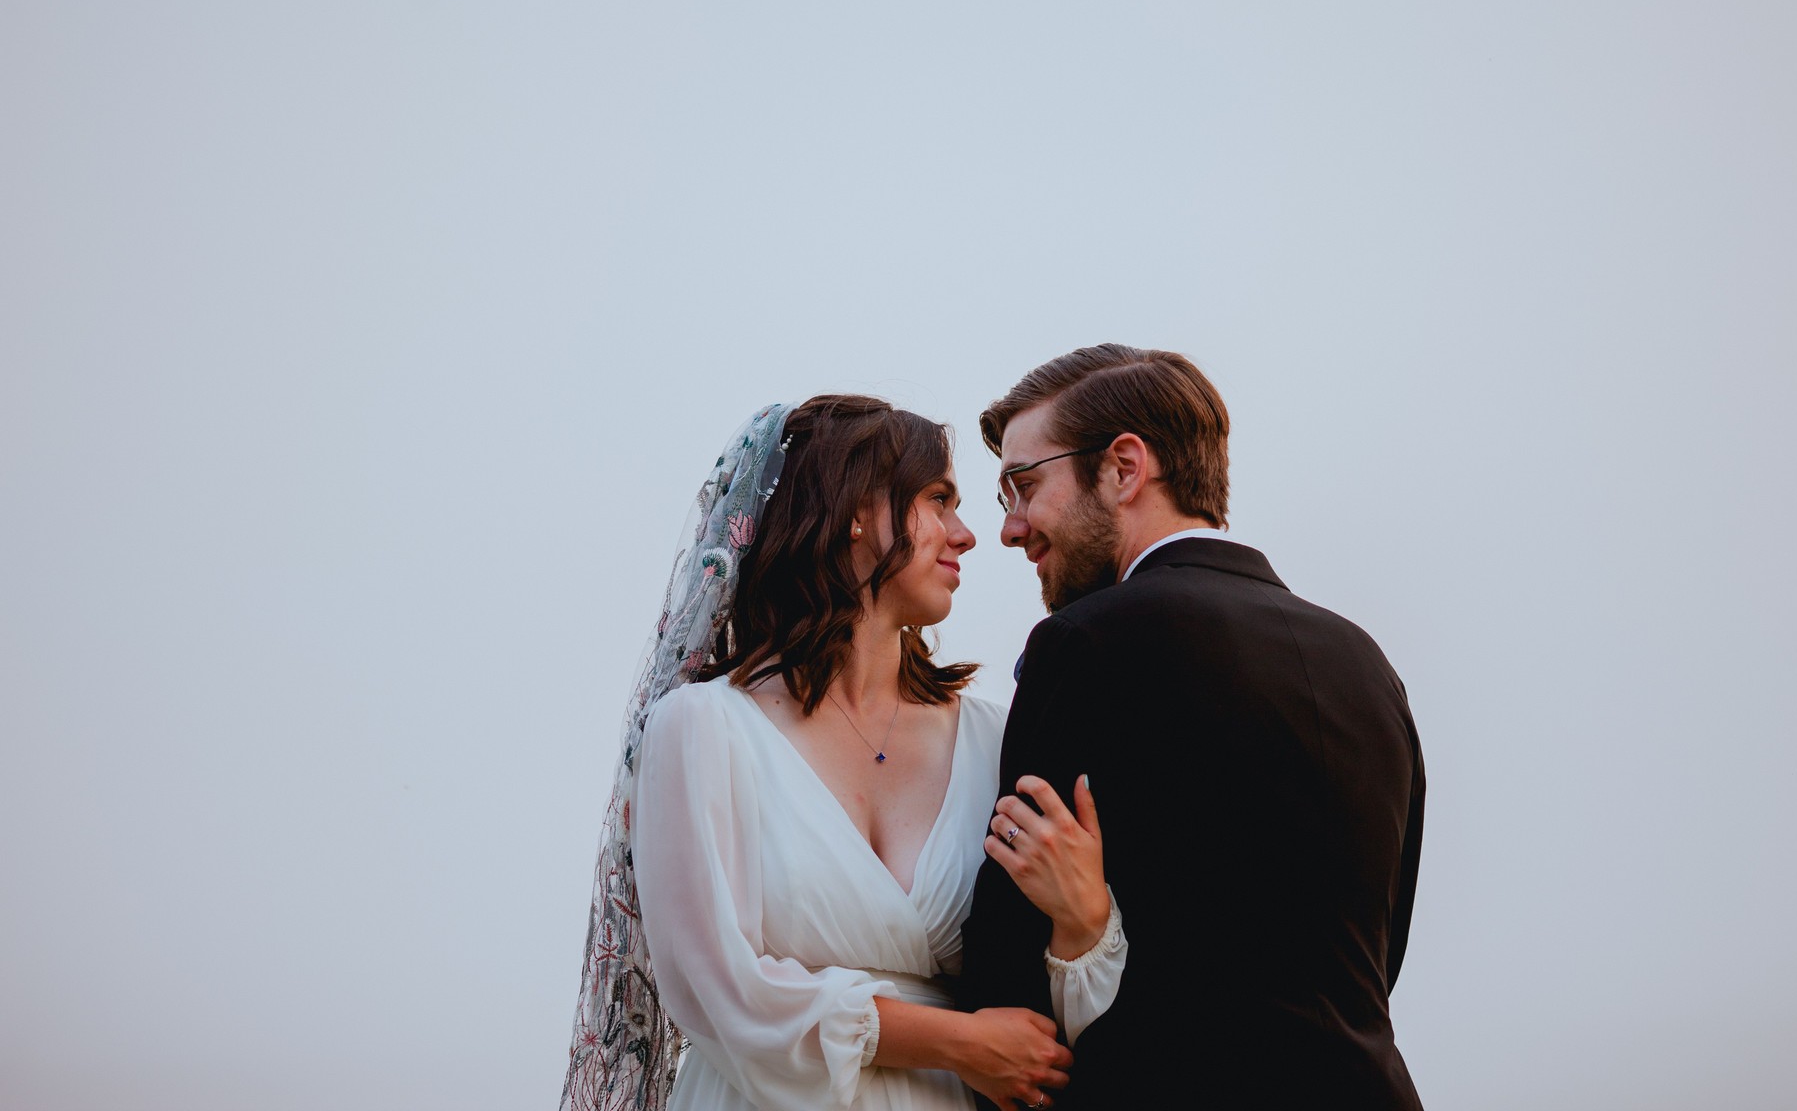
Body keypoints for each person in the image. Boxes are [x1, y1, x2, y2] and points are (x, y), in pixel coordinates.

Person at [560, 395, 1097, 1111]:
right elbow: (715, 986)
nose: (967, 534)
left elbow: (1046, 997)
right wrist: (956, 1042)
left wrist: (1085, 920)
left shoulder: (995, 738)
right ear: (853, 510)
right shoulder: (702, 729)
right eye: (938, 500)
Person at [958, 345, 1427, 1109]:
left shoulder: (1089, 641)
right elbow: (1380, 952)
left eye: (1023, 484)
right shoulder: (1366, 664)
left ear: (1124, 467)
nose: (1010, 528)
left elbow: (1011, 958)